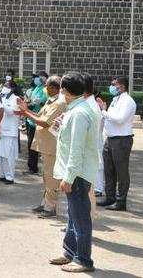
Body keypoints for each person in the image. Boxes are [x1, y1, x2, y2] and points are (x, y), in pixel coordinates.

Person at [48, 71, 99, 273]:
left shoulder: (79, 113)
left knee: (80, 218)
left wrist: (68, 178)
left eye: (61, 88)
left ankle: (84, 260)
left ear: (65, 91)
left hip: (77, 173)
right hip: (75, 171)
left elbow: (77, 149)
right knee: (73, 215)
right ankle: (70, 252)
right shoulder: (76, 109)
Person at [17, 75, 67, 218]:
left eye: (46, 86)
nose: (44, 89)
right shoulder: (52, 101)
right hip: (46, 144)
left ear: (53, 88)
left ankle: (50, 206)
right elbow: (39, 116)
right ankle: (46, 202)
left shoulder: (59, 103)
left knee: (51, 177)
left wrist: (25, 112)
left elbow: (45, 122)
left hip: (52, 145)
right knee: (46, 176)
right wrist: (25, 110)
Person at [96, 76, 137, 211]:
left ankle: (121, 201)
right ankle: (110, 197)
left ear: (123, 86)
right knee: (109, 170)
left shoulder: (128, 101)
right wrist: (104, 109)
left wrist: (103, 112)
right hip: (111, 138)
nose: (112, 87)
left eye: (115, 85)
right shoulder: (115, 99)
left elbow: (119, 119)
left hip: (122, 139)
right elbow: (110, 117)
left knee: (121, 171)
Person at [0, 81, 20, 184]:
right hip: (1, 130)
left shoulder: (16, 99)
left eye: (6, 86)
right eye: (3, 85)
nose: (3, 87)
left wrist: (2, 103)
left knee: (8, 155)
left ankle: (10, 177)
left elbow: (11, 112)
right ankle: (2, 174)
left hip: (10, 131)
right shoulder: (3, 98)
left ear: (12, 88)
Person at [24, 71, 49, 174]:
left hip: (38, 120)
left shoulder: (45, 89)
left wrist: (40, 102)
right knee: (30, 144)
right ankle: (31, 166)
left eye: (39, 78)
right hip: (31, 118)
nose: (36, 80)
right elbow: (31, 100)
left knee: (34, 145)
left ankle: (33, 167)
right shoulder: (36, 88)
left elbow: (46, 102)